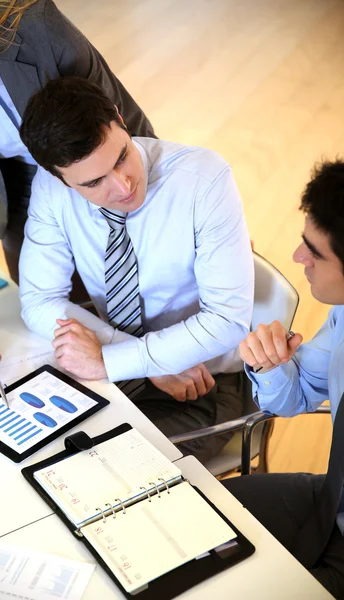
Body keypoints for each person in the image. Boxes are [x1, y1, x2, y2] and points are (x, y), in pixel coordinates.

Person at [18, 76, 254, 461]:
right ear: (60, 177)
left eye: (122, 156)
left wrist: (112, 360)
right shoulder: (52, 188)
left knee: (104, 468)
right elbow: (38, 301)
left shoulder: (203, 179)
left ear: (118, 118)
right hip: (122, 366)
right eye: (95, 182)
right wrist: (135, 360)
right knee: (37, 455)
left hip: (205, 380)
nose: (124, 184)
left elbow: (227, 321)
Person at [0, 0, 154, 379]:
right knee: (56, 318)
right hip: (18, 186)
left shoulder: (36, 25)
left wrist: (179, 209)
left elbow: (114, 125)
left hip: (97, 163)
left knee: (143, 288)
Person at [224, 159, 344, 598]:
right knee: (199, 514)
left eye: (314, 251)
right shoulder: (342, 316)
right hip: (331, 499)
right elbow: (295, 398)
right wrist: (270, 365)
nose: (298, 258)